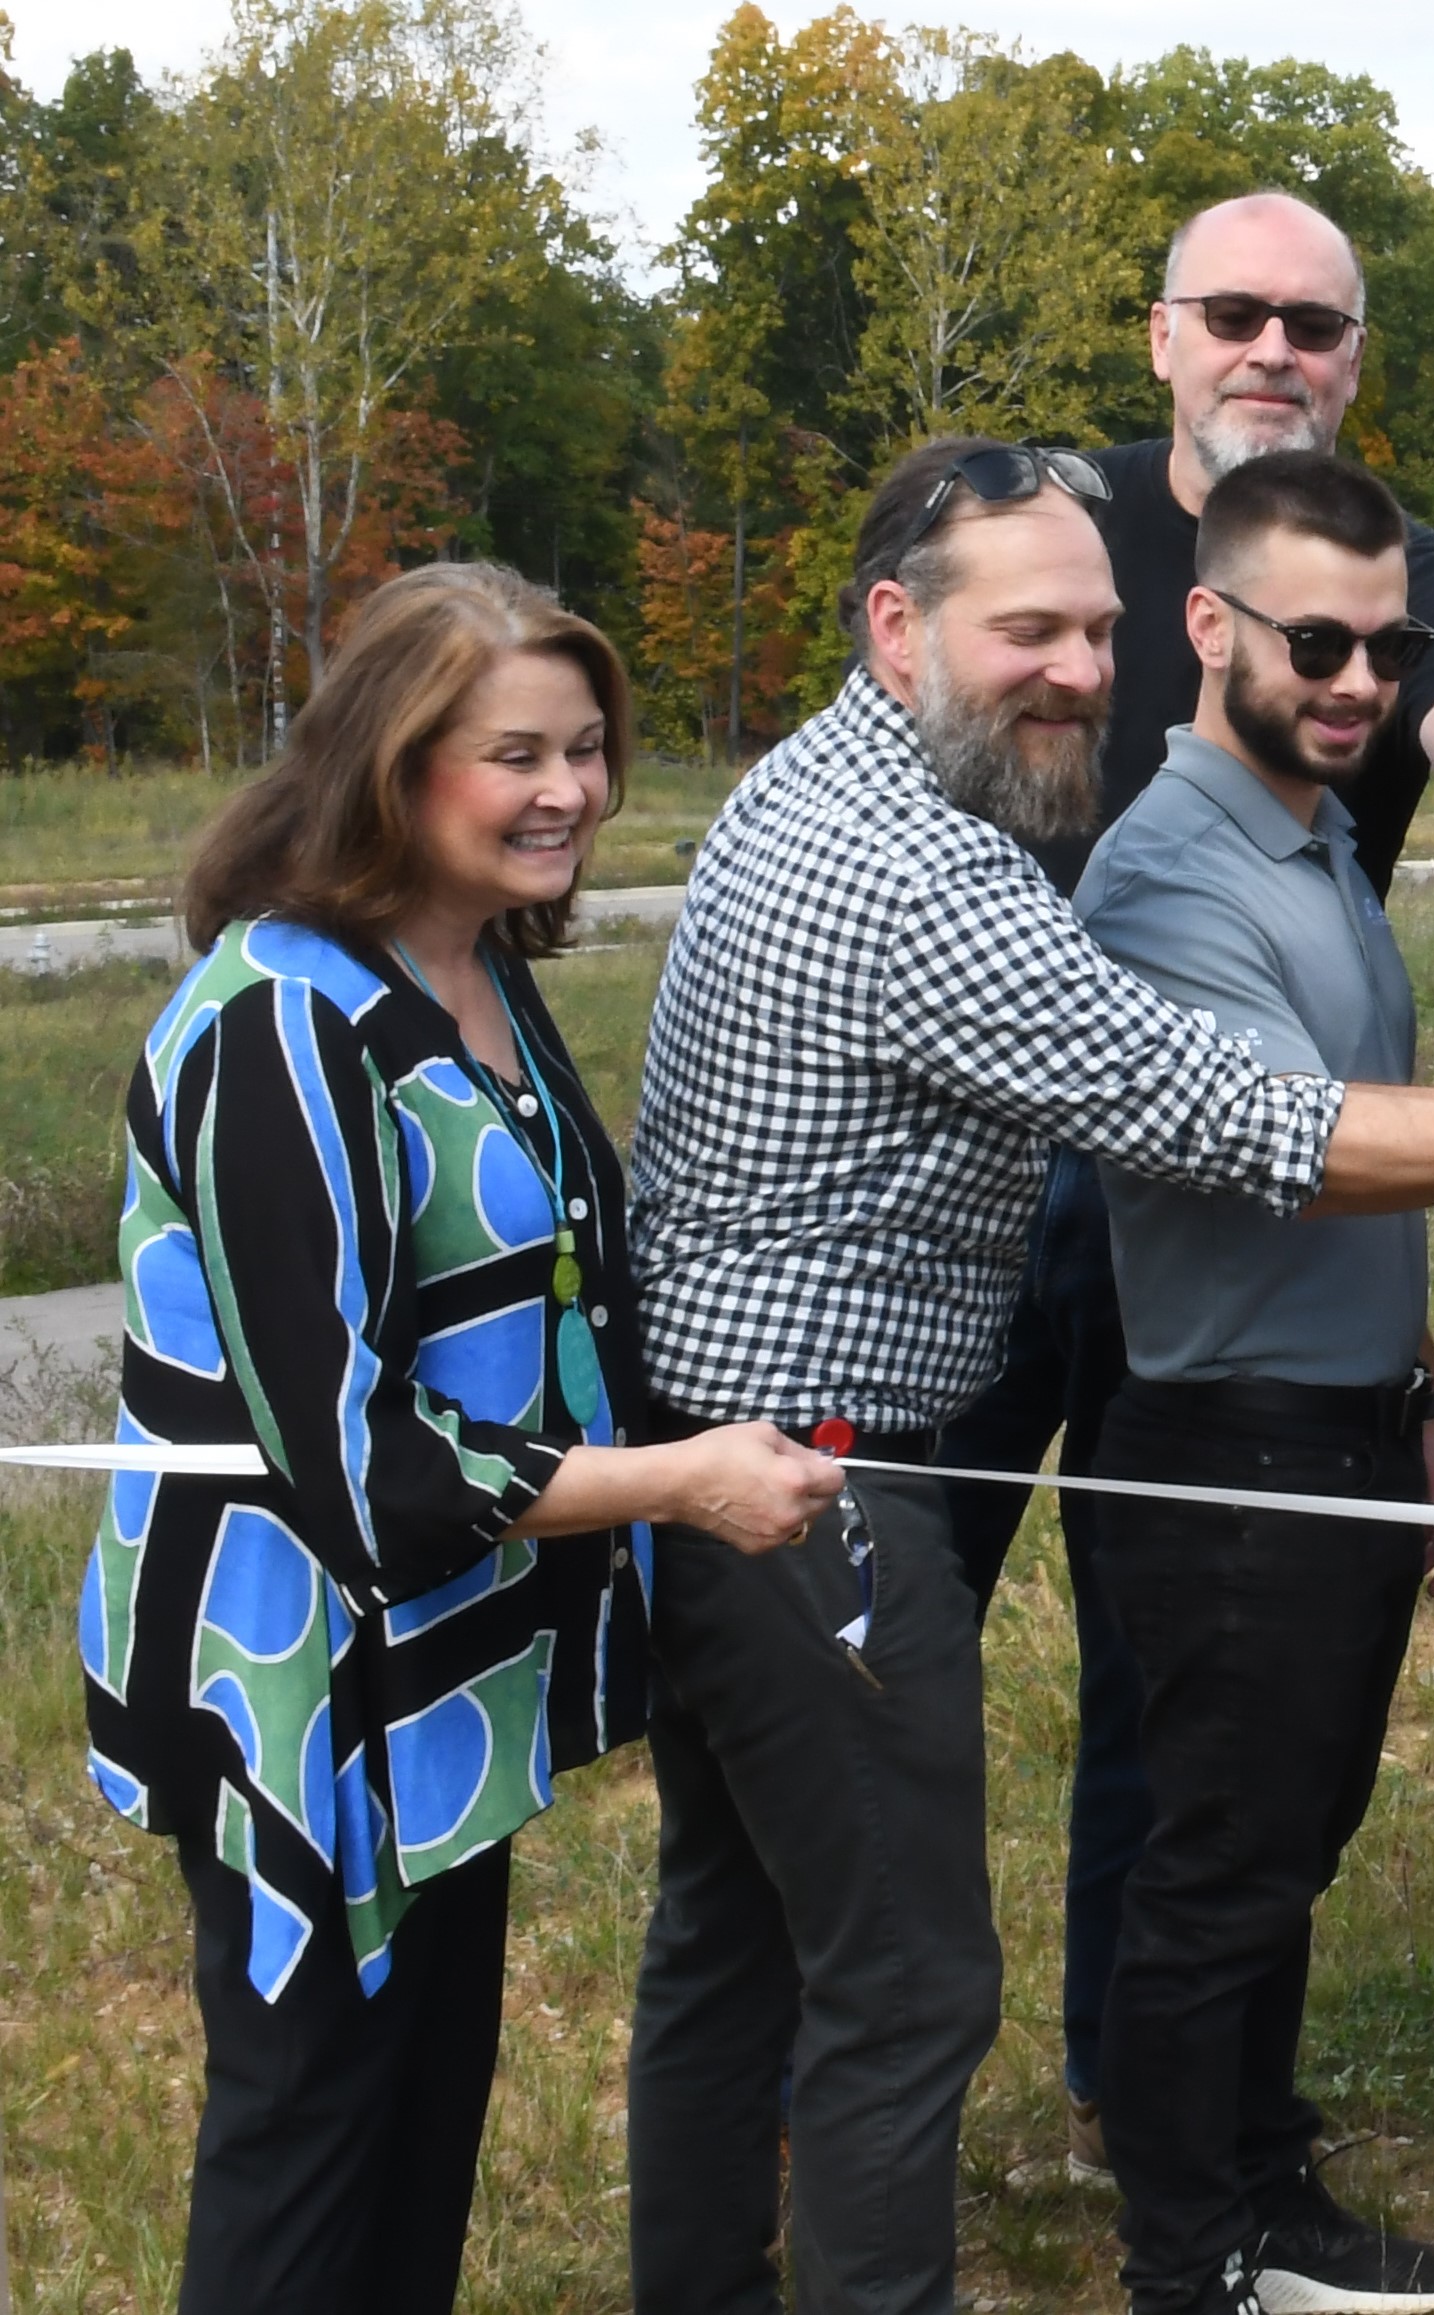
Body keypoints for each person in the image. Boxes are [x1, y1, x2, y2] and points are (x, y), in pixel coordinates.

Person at [621, 436, 1434, 2315]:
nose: (1079, 669)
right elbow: (1224, 1116)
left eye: (1092, 629)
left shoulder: (860, 790)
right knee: (907, 1981)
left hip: (765, 1450)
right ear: (895, 622)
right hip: (818, 1480)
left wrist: (1417, 1384)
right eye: (1029, 632)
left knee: (741, 1938)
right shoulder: (919, 870)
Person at [933, 191, 1434, 2176]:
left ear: (1356, 360)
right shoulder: (1057, 543)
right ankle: (818, 2088)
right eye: (1235, 312)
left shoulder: (1403, 579)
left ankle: (1141, 2104)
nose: (1274, 350)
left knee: (1185, 1683)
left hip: (1235, 1210)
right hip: (973, 1191)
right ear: (1159, 336)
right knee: (881, 1654)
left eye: (1317, 324)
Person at [84, 562, 844, 2315]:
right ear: (390, 763)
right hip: (298, 1681)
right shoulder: (280, 1022)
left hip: (445, 1660)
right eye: (516, 754)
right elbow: (365, 1477)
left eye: (587, 749)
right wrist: (683, 1487)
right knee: (306, 2136)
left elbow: (575, 1291)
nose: (567, 790)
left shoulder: (474, 968)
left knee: (428, 2116)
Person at [1068, 451, 1434, 2315]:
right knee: (1221, 1870)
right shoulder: (1166, 875)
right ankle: (1195, 2257)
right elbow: (1301, 1149)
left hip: (1334, 1425)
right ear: (1209, 625)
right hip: (1224, 1450)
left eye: (1386, 645)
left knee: (1283, 1853)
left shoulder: (1317, 830)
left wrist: (1423, 1395)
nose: (1354, 682)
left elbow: (1355, 1190)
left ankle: (1260, 2179)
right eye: (1313, 640)